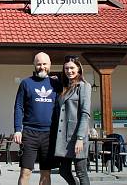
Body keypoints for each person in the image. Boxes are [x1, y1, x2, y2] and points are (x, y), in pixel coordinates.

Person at [14, 52, 61, 185]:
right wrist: (18, 129)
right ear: (34, 65)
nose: (42, 67)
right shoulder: (26, 83)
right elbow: (18, 107)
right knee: (25, 172)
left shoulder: (56, 84)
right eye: (39, 64)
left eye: (44, 64)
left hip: (49, 135)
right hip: (29, 133)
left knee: (46, 173)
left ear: (50, 65)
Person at [54, 55, 92, 185]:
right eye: (66, 68)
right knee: (63, 171)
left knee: (81, 172)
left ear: (79, 69)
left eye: (72, 68)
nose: (69, 71)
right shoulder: (65, 87)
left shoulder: (84, 86)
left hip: (76, 137)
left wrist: (80, 138)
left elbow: (85, 113)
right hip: (64, 137)